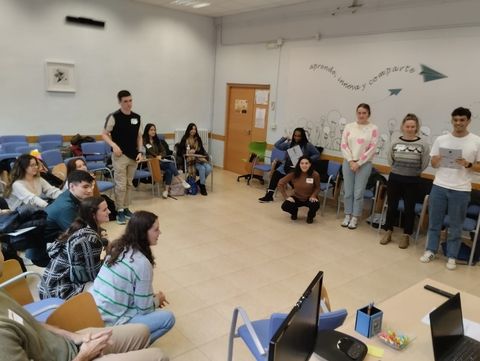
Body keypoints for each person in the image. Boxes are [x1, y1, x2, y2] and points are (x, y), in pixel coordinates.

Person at [0, 246, 169, 361]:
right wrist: (85, 356)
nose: (3, 252)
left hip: (69, 345)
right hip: (75, 358)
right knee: (159, 356)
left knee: (143, 331)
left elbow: (29, 322)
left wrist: (76, 337)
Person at [91, 211, 175, 342]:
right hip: (110, 322)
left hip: (93, 310)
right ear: (143, 233)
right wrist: (157, 300)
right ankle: (126, 346)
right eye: (156, 230)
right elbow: (144, 309)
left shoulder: (117, 246)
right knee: (168, 318)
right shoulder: (141, 263)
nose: (160, 233)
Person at [420, 107, 480, 270]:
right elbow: (433, 163)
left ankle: (452, 256)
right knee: (434, 221)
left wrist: (467, 164)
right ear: (452, 120)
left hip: (461, 189)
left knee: (456, 225)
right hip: (439, 186)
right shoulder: (441, 139)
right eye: (456, 120)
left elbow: (479, 166)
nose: (458, 123)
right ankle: (430, 250)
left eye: (462, 120)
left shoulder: (476, 141)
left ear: (468, 121)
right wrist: (437, 159)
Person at [39, 197, 110, 300]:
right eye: (104, 210)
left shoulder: (80, 227)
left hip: (47, 288)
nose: (109, 211)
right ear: (93, 215)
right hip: (59, 293)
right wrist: (109, 257)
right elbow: (94, 275)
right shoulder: (90, 239)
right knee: (107, 286)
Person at [380, 114, 430, 248]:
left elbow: (424, 163)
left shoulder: (423, 144)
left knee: (409, 209)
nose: (410, 129)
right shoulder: (395, 142)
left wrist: (413, 171)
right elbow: (390, 160)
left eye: (413, 126)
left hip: (413, 180)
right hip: (395, 178)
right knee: (391, 207)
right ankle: (388, 231)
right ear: (403, 127)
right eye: (407, 126)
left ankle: (406, 235)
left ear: (416, 128)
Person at [26, 170, 96, 267]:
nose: (90, 190)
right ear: (71, 186)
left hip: (53, 242)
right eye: (85, 187)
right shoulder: (66, 207)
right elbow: (79, 236)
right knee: (87, 257)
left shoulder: (70, 195)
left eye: (91, 186)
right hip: (43, 253)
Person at [102, 90, 143, 224]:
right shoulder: (114, 116)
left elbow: (139, 136)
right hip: (120, 155)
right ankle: (119, 210)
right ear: (120, 102)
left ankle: (126, 207)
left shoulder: (137, 117)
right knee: (121, 185)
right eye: (125, 101)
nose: (128, 104)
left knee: (129, 183)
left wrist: (140, 151)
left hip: (133, 155)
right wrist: (114, 145)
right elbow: (104, 134)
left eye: (130, 100)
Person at [340, 103, 379, 230]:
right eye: (359, 113)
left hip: (364, 164)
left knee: (358, 193)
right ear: (356, 113)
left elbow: (372, 148)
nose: (361, 115)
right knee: (347, 192)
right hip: (348, 162)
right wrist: (351, 161)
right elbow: (343, 145)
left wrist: (359, 163)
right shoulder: (349, 126)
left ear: (369, 114)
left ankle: (355, 217)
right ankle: (347, 215)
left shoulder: (373, 128)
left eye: (364, 113)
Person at [258, 127, 320, 203]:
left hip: (298, 168)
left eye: (299, 136)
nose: (296, 137)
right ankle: (269, 196)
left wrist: (306, 160)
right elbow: (277, 145)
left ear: (303, 136)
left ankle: (304, 198)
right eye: (295, 135)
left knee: (296, 181)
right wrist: (284, 137)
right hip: (286, 166)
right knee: (276, 174)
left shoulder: (307, 145)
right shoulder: (290, 144)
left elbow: (317, 154)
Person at [142, 123, 190, 198]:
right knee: (170, 165)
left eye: (154, 130)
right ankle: (182, 181)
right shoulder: (144, 140)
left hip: (160, 161)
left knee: (169, 170)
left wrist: (160, 155)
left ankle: (166, 191)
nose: (153, 131)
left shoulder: (157, 140)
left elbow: (164, 151)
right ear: (147, 131)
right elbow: (148, 151)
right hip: (151, 162)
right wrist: (156, 156)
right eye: (151, 130)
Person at [278, 156, 320, 223]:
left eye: (306, 163)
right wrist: (286, 197)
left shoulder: (315, 174)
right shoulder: (294, 173)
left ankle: (310, 216)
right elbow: (280, 183)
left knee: (315, 205)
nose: (304, 165)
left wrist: (313, 196)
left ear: (310, 164)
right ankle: (294, 212)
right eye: (302, 163)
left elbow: (317, 188)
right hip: (296, 196)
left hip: (309, 197)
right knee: (285, 206)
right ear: (299, 164)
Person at [177, 123, 211, 196]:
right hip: (191, 161)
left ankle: (199, 182)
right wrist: (187, 152)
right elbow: (179, 151)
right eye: (192, 129)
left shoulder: (198, 139)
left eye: (195, 129)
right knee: (202, 169)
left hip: (200, 159)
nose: (193, 130)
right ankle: (202, 186)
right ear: (189, 130)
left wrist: (195, 151)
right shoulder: (185, 139)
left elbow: (202, 150)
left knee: (208, 168)